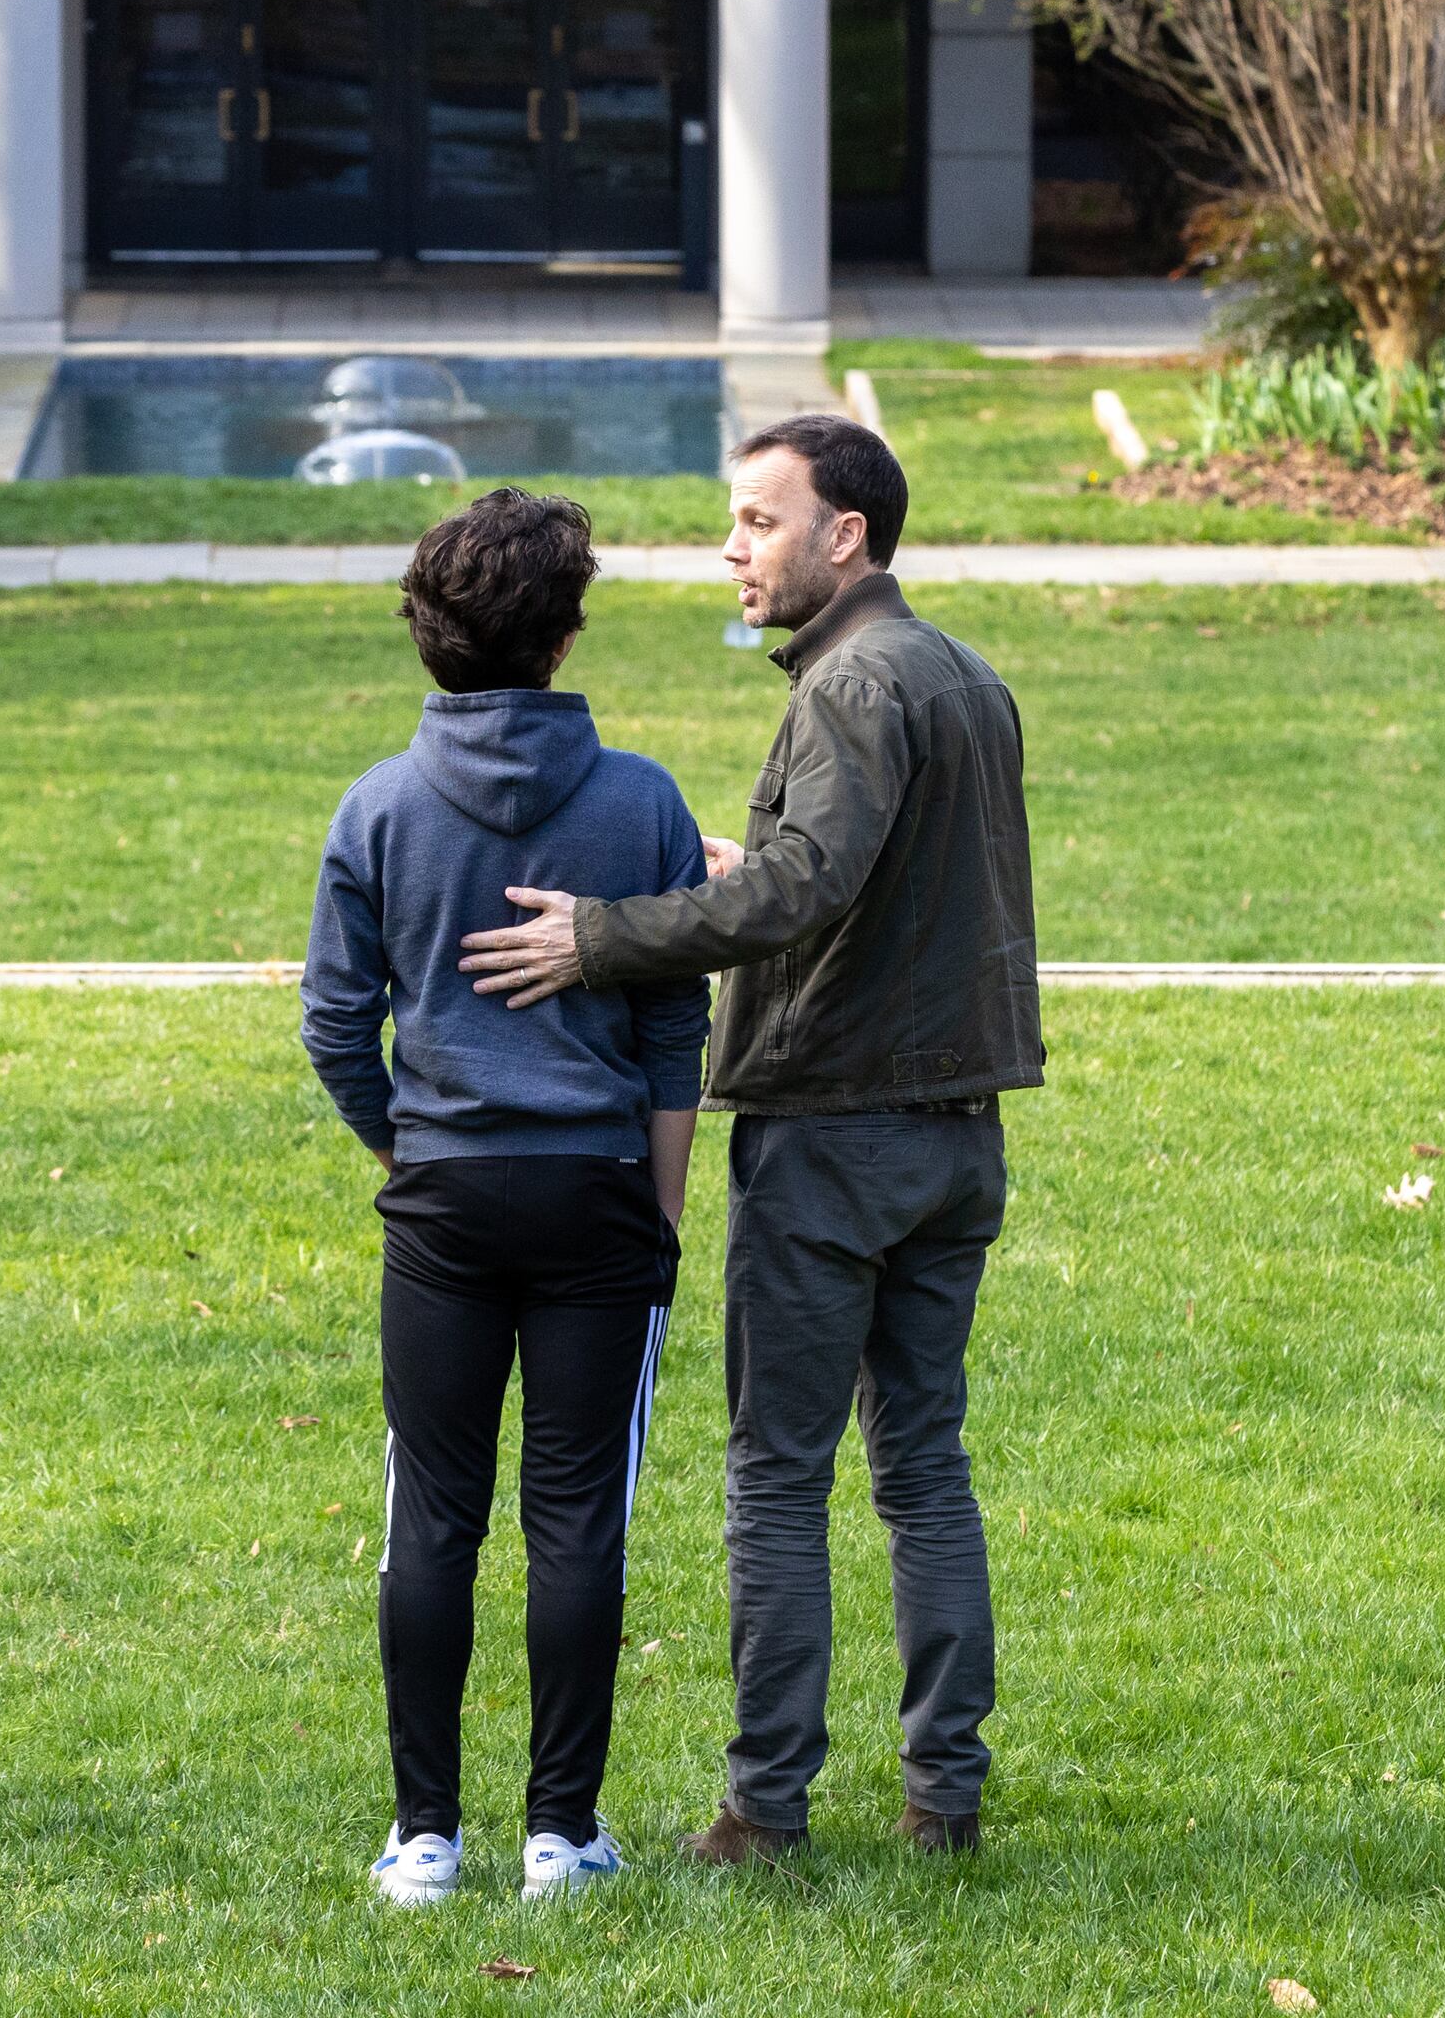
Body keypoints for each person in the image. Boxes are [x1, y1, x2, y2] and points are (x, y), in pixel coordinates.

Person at [457, 413, 1042, 1865]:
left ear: (844, 535)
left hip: (835, 1142)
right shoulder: (964, 676)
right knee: (924, 1468)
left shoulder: (850, 686)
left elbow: (803, 898)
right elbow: (855, 878)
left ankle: (764, 1815)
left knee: (778, 1475)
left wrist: (606, 938)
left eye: (757, 522)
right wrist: (749, 861)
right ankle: (942, 1804)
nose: (734, 550)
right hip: (959, 1139)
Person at [300, 485, 710, 1909]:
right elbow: (674, 1035)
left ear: (427, 632)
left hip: (445, 1205)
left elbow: (334, 1029)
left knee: (433, 1517)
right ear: (566, 633)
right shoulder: (644, 799)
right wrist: (660, 1212)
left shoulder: (379, 806)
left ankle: (424, 1841)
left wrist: (409, 1146)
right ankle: (563, 1837)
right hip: (600, 1196)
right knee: (579, 1517)